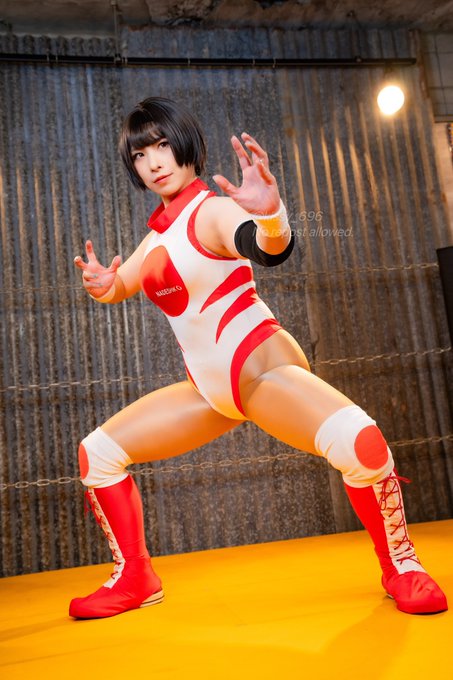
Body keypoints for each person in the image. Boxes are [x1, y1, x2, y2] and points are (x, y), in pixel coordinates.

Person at [71, 96, 447, 619]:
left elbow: (268, 247)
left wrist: (270, 214)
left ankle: (400, 565)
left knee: (361, 444)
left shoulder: (213, 211)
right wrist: (101, 284)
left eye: (161, 145)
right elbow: (121, 286)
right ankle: (135, 577)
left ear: (186, 145)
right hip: (209, 392)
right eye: (139, 154)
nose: (153, 162)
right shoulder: (158, 235)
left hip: (259, 371)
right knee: (97, 455)